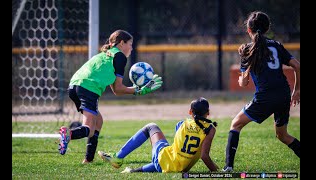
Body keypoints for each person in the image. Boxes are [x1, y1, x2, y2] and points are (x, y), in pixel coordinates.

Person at [57, 29, 163, 164]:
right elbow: (119, 88)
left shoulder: (107, 54)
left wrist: (138, 89)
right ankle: (68, 134)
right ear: (121, 43)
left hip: (74, 86)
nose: (131, 48)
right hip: (88, 88)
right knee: (89, 129)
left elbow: (116, 90)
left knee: (98, 121)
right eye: (130, 44)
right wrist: (139, 91)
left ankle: (88, 159)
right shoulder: (120, 57)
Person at [222, 11, 300, 172]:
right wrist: (297, 90)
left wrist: (241, 78)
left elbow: (243, 83)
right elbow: (297, 66)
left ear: (248, 30)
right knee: (282, 136)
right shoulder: (277, 46)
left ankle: (228, 167)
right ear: (267, 28)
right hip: (284, 93)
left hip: (265, 97)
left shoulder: (247, 50)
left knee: (235, 124)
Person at [97, 97, 219, 173]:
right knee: (168, 156)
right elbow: (204, 156)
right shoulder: (210, 129)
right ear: (208, 113)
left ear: (190, 112)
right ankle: (134, 171)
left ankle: (118, 157)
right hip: (180, 168)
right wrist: (216, 171)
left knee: (151, 127)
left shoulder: (182, 124)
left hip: (166, 162)